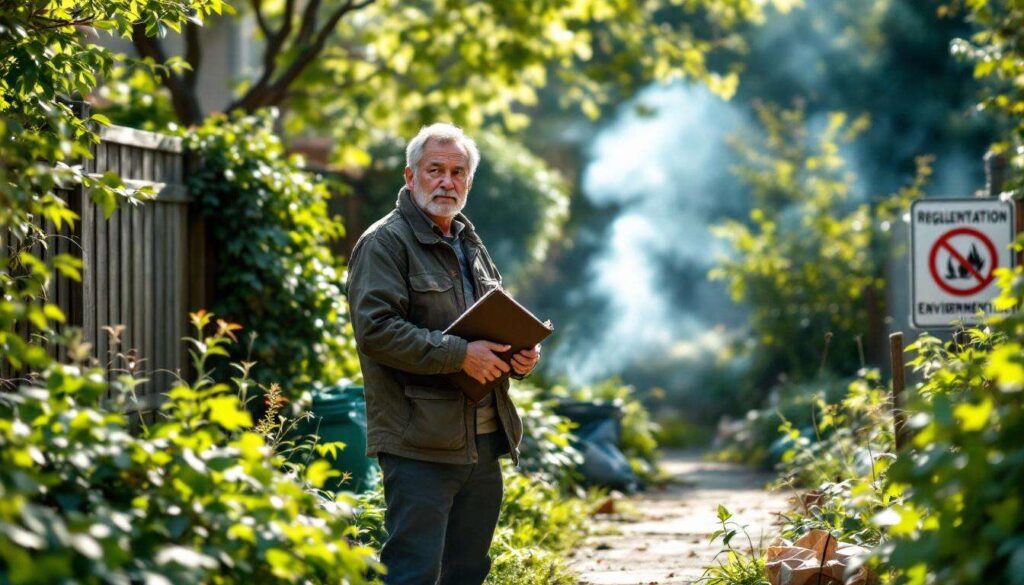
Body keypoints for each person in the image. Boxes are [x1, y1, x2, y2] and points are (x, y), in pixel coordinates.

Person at [346, 122, 541, 585]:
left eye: (457, 172)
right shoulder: (385, 243)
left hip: (484, 440)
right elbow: (376, 332)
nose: (446, 182)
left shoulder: (469, 243)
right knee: (414, 572)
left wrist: (521, 355)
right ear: (410, 176)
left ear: (469, 183)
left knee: (468, 571)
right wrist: (459, 355)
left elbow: (493, 320)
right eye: (435, 170)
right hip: (419, 444)